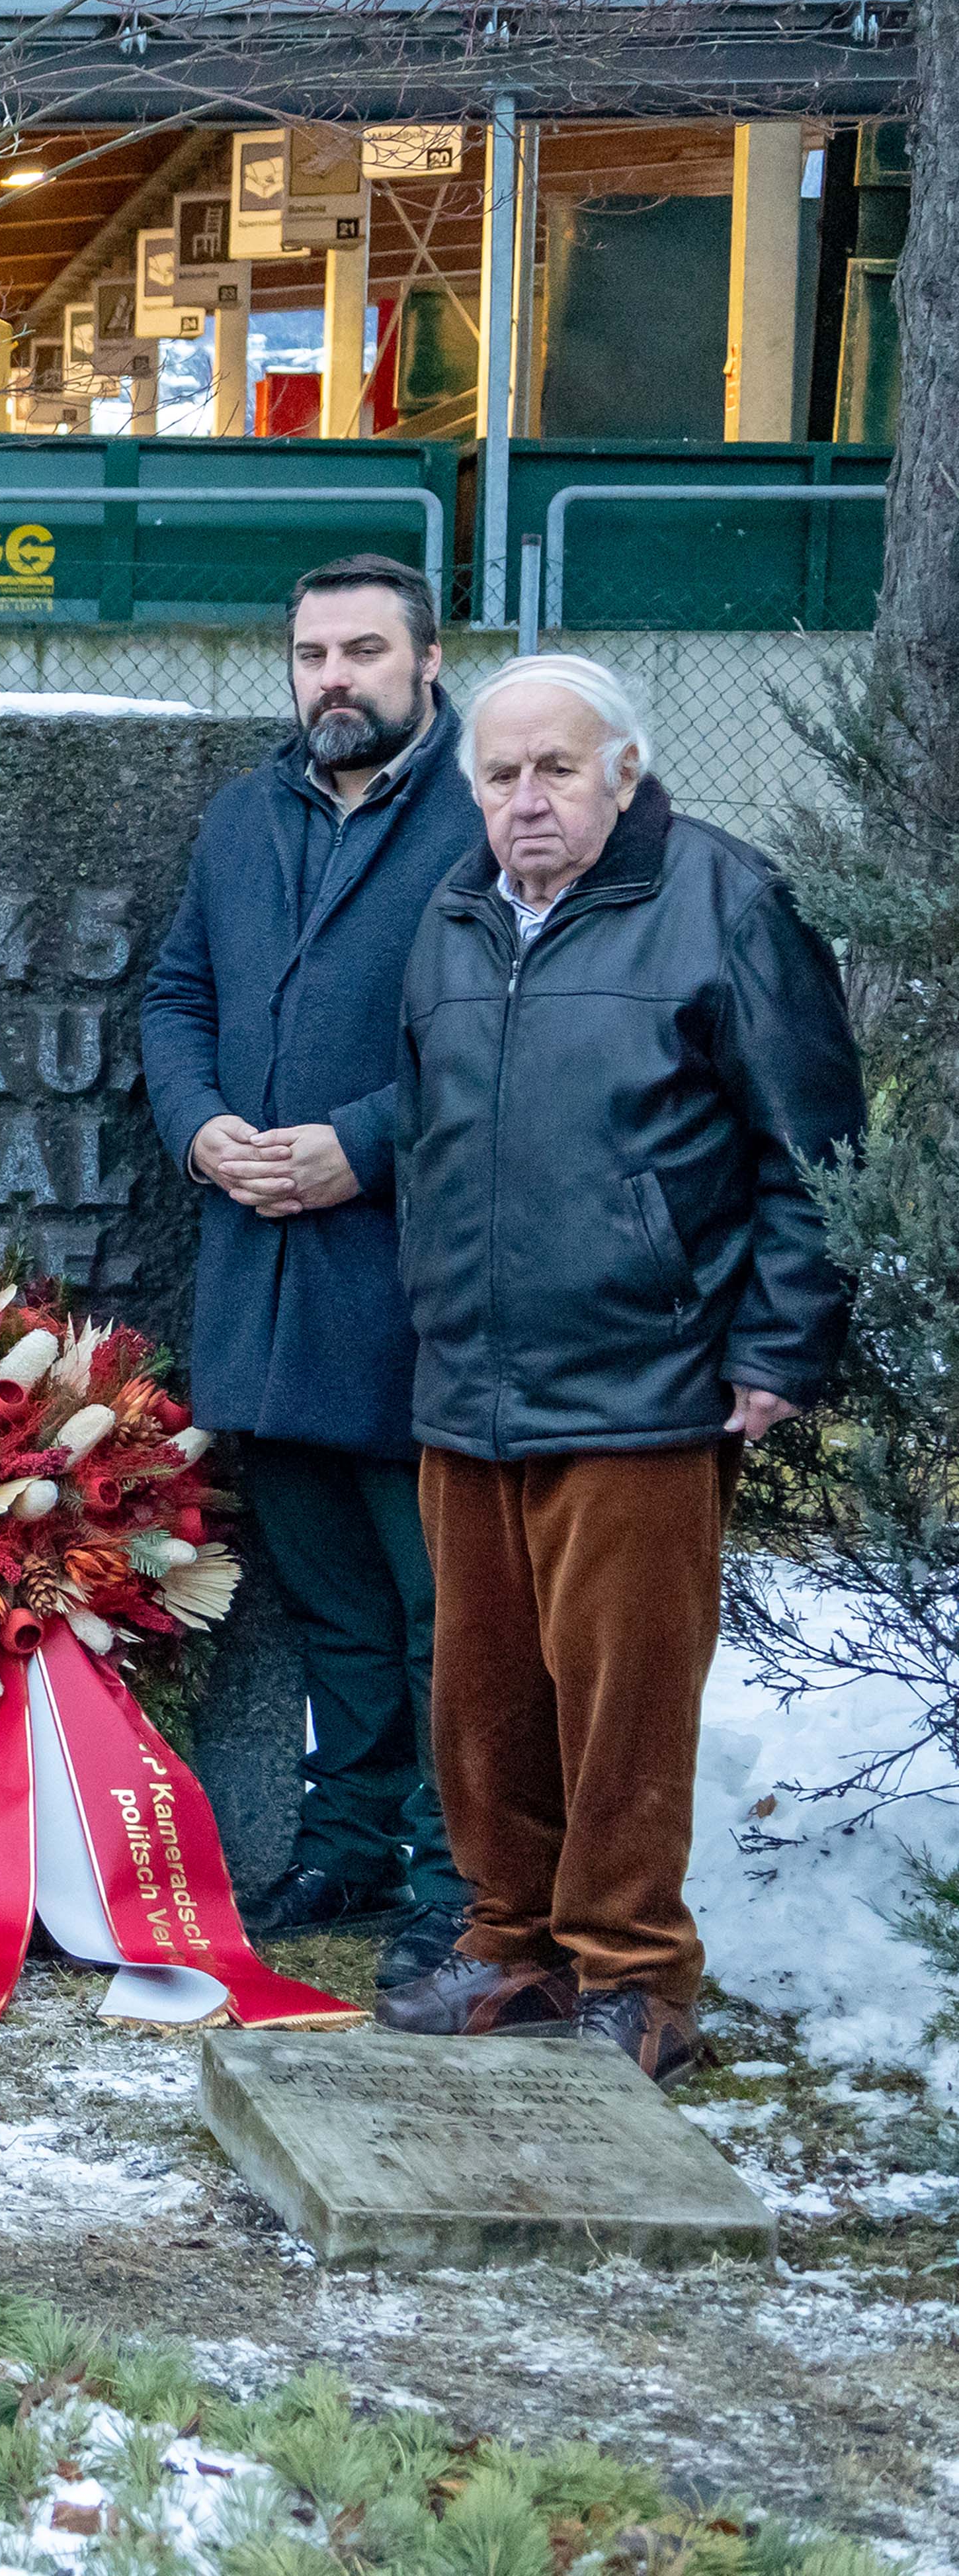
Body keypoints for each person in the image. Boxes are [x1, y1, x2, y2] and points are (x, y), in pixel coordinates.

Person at [376, 654, 863, 2085]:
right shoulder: (453, 916)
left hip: (647, 1383)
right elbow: (424, 1133)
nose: (524, 800)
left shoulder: (724, 903)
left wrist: (776, 1347)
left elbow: (813, 1151)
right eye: (498, 776)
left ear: (626, 773)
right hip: (469, 1381)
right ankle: (508, 1945)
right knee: (479, 1697)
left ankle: (633, 1971)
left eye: (554, 770)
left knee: (624, 1697)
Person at [139, 551, 472, 1990]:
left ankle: (458, 1883)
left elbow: (501, 1030)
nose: (330, 678)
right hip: (260, 1286)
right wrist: (199, 1123)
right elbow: (176, 994)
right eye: (309, 654)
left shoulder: (480, 815)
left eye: (361, 652)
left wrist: (361, 1143)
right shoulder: (244, 815)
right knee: (332, 1605)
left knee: (437, 1614)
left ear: (427, 663)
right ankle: (346, 1843)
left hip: (407, 1284)